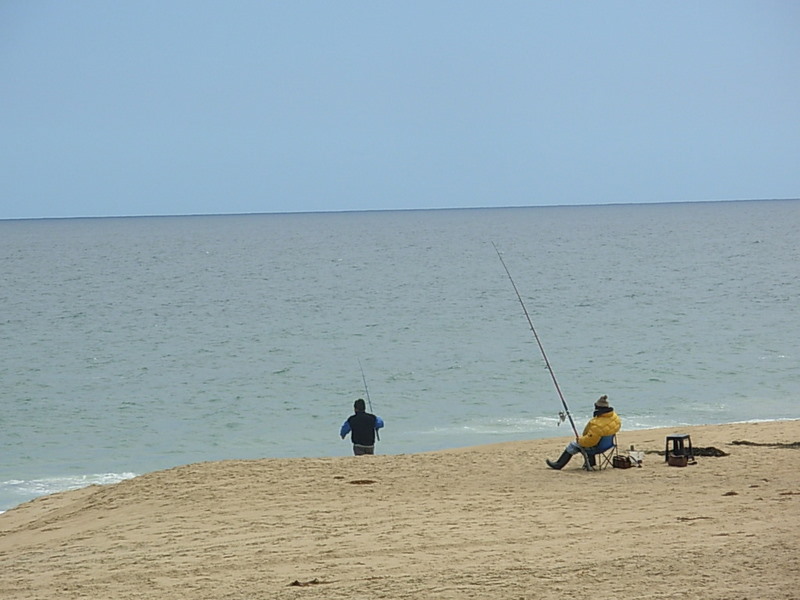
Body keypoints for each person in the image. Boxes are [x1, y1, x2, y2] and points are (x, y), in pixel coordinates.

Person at [546, 395, 621, 470]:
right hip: (608, 444)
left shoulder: (598, 424)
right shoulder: (614, 417)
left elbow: (590, 442)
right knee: (592, 439)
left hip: (597, 447)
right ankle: (591, 463)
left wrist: (580, 440)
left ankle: (559, 465)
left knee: (573, 445)